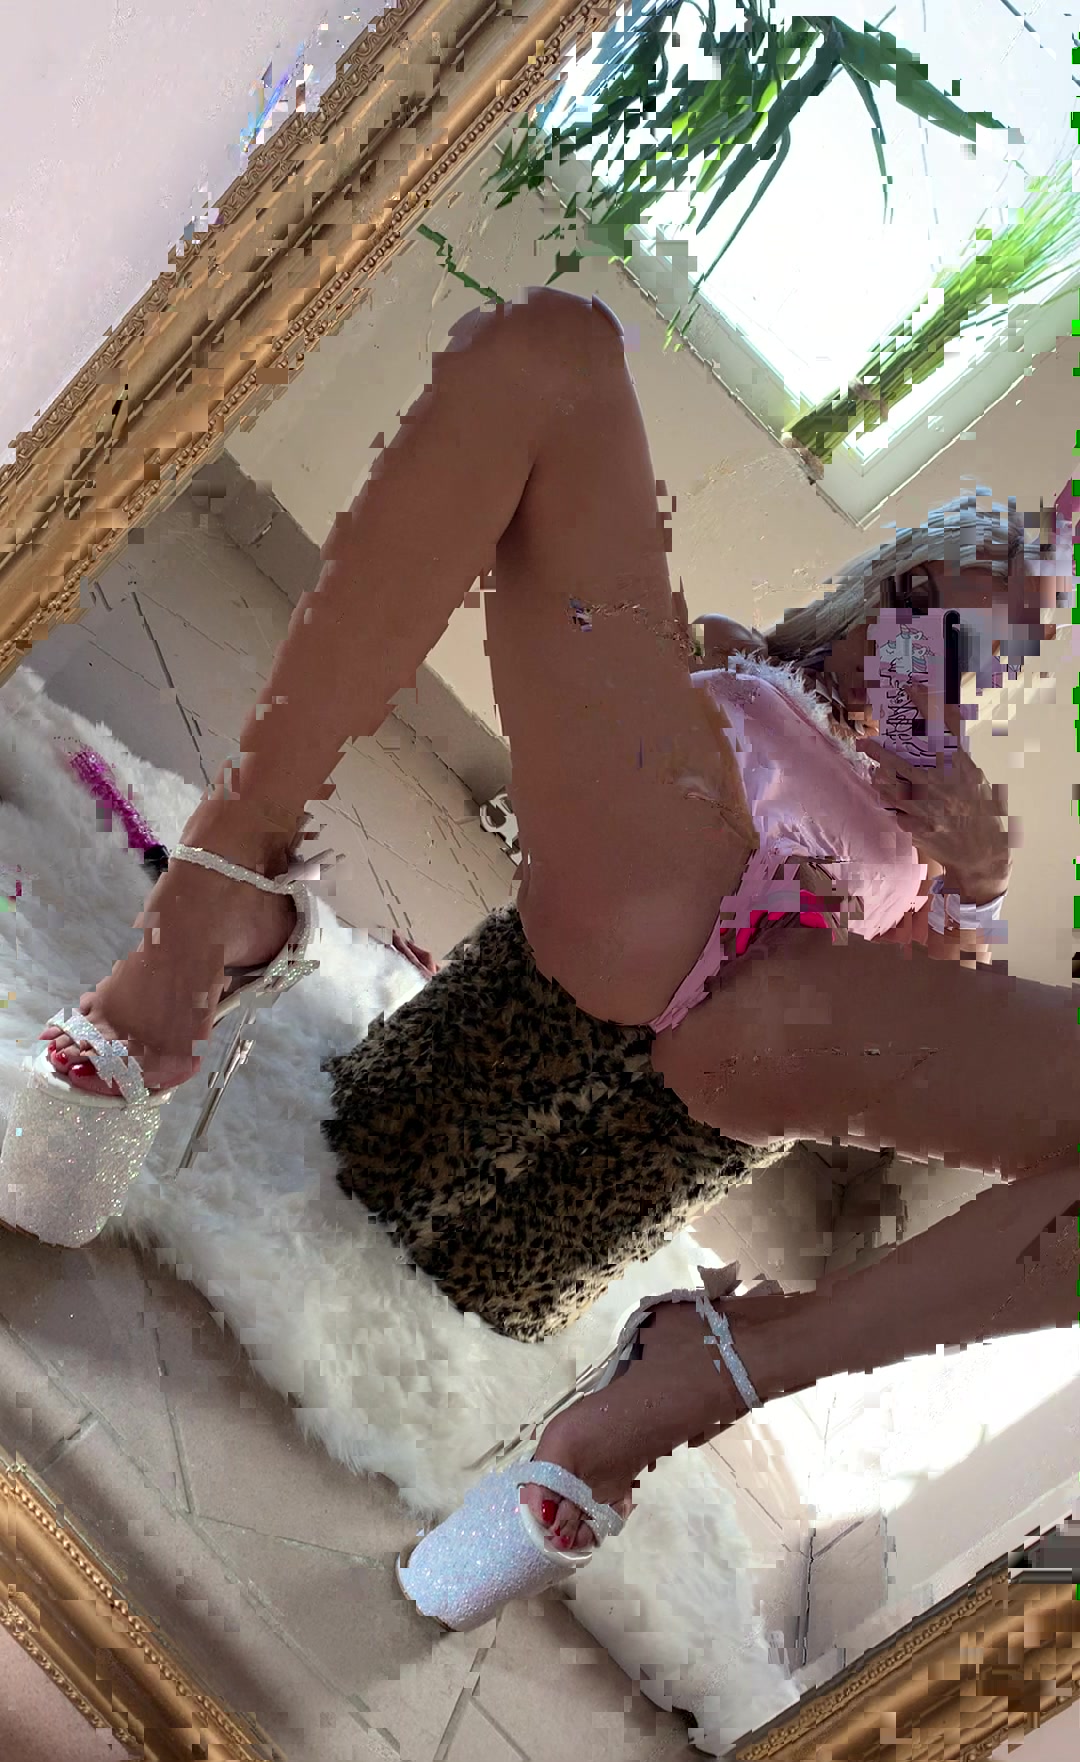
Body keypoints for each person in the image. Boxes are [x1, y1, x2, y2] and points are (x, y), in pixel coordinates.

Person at [36, 288, 1077, 1571]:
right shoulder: (753, 664)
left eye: (970, 648)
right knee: (553, 350)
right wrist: (699, 685)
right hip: (642, 892)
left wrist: (972, 881)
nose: (921, 651)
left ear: (996, 686)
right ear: (873, 589)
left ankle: (720, 1364)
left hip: (772, 1027)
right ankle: (221, 889)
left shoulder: (940, 840)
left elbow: (938, 1014)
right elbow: (621, 704)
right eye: (917, 600)